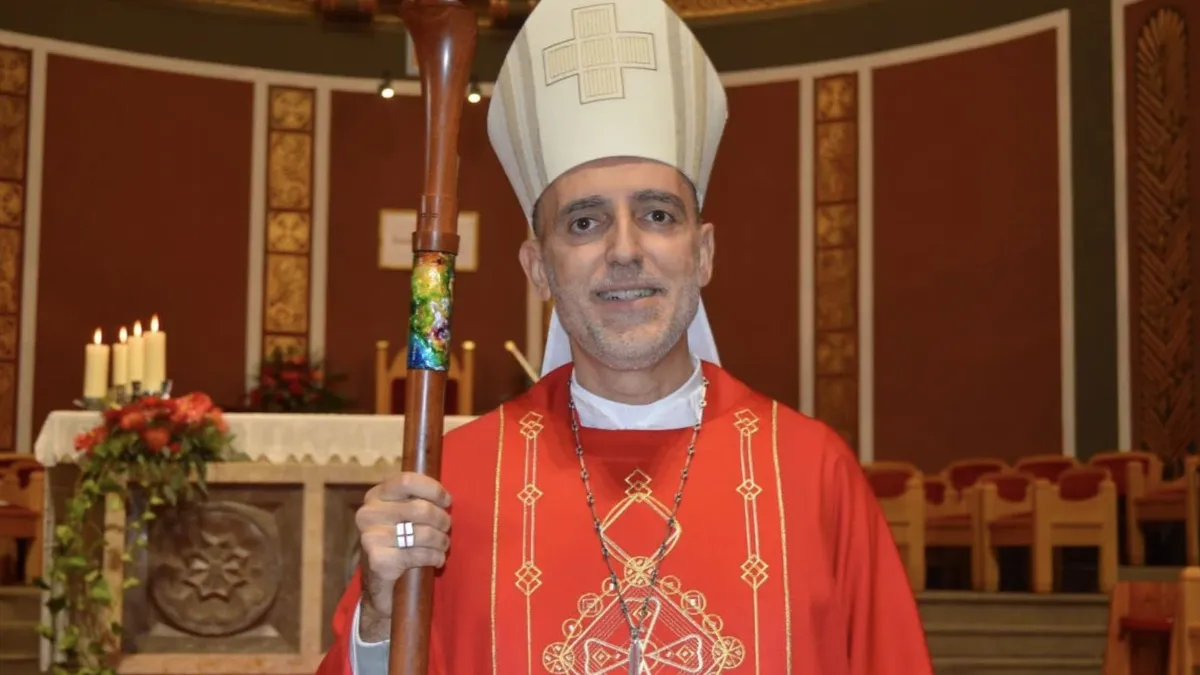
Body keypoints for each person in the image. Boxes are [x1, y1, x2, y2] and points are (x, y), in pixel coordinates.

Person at [317, 0, 933, 671]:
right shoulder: (453, 485)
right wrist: (380, 618)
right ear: (539, 267)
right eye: (585, 222)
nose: (625, 250)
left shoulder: (813, 475)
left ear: (703, 253)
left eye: (658, 214)